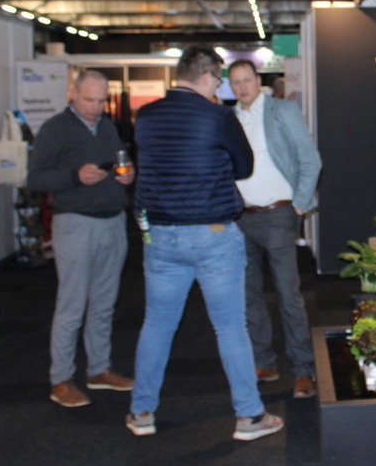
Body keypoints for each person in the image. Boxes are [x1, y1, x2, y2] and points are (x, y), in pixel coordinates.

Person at [126, 44, 283, 441]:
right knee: (230, 327)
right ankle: (249, 417)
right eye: (219, 79)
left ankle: (141, 411)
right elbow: (244, 167)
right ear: (209, 75)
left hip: (160, 236)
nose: (220, 87)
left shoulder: (146, 116)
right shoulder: (218, 117)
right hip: (212, 235)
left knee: (157, 324)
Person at [27, 70, 135, 408]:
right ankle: (61, 378)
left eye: (101, 101)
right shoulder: (55, 129)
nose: (95, 107)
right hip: (75, 222)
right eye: (89, 100)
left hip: (112, 220)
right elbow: (35, 178)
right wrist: (75, 177)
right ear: (72, 93)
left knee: (104, 302)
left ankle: (99, 369)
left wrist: (127, 174)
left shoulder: (107, 127)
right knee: (72, 305)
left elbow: (121, 161)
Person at [228, 60, 323, 398]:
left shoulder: (282, 111)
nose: (242, 87)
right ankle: (264, 362)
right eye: (236, 82)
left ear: (258, 81)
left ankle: (303, 369)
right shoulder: (229, 119)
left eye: (247, 80)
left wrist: (300, 202)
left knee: (288, 294)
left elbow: (311, 159)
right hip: (240, 218)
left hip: (278, 214)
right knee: (248, 294)